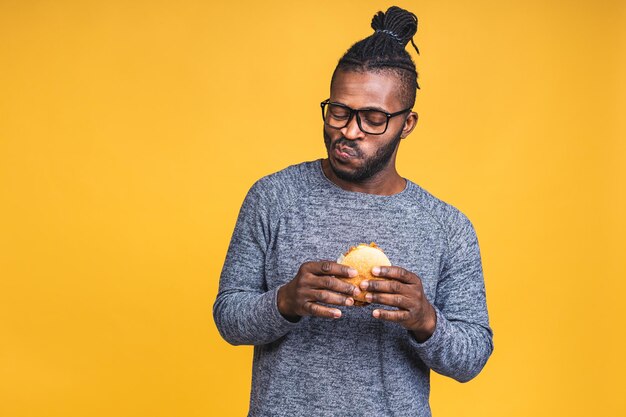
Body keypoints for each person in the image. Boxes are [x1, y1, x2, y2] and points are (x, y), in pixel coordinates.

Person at [213, 6, 493, 417]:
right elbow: (228, 318)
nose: (349, 130)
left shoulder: (447, 227)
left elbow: (472, 357)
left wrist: (425, 319)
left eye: (373, 118)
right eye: (339, 111)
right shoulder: (273, 197)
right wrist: (286, 301)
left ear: (407, 123)